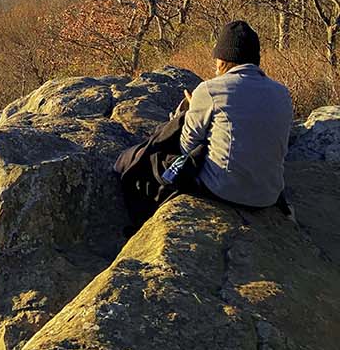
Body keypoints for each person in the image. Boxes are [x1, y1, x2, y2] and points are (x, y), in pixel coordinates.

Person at [115, 20, 294, 227]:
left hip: (224, 191)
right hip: (269, 195)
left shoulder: (211, 89)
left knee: (147, 159)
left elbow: (186, 148)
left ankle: (135, 223)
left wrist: (190, 112)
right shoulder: (282, 93)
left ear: (222, 59)